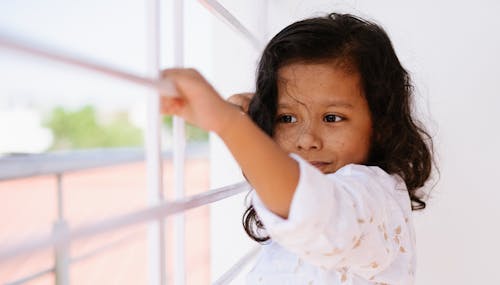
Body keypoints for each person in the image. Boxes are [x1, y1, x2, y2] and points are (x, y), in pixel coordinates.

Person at [161, 12, 433, 285]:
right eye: (287, 118)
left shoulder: (373, 197)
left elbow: (309, 205)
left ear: (381, 124)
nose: (307, 140)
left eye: (332, 118)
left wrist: (229, 123)